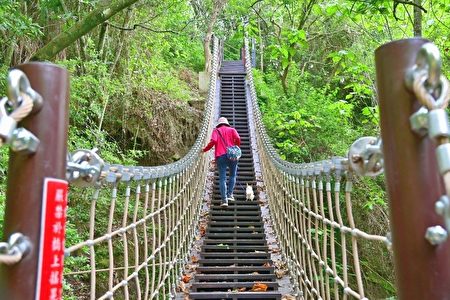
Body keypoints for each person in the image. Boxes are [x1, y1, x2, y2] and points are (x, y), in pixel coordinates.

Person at [202, 117, 241, 207]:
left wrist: (205, 149)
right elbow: (238, 138)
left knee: (222, 178)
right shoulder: (232, 130)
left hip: (220, 156)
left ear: (219, 124)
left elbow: (213, 141)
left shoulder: (216, 131)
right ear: (227, 123)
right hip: (232, 156)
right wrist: (236, 147)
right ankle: (230, 195)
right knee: (232, 175)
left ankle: (224, 200)